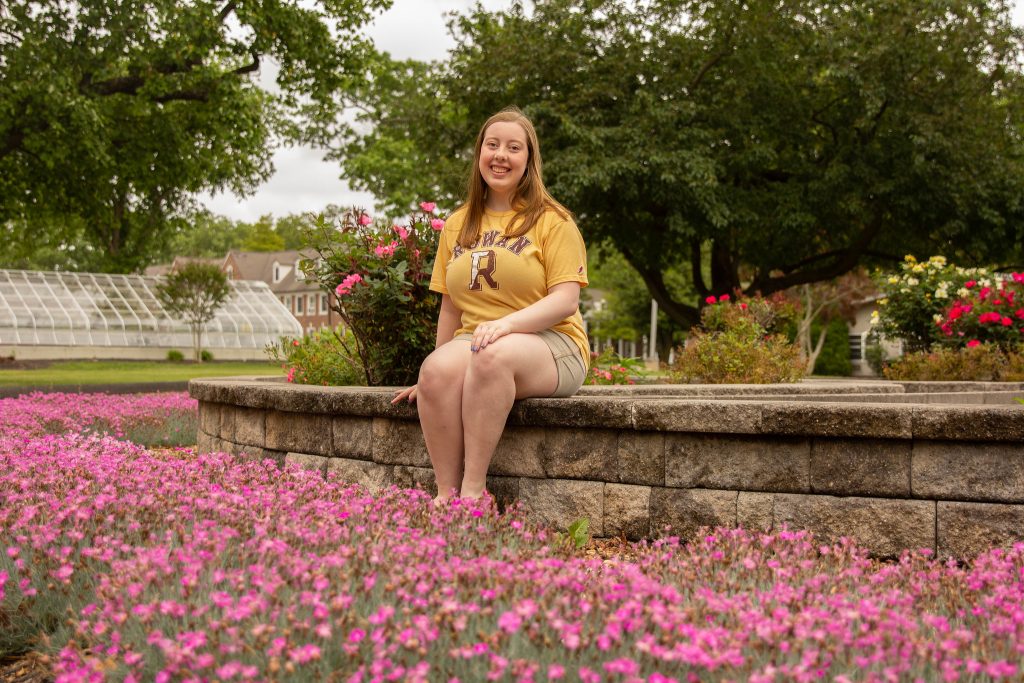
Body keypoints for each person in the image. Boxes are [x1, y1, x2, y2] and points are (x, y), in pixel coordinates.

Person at [391, 106, 590, 503]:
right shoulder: (458, 224)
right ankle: (445, 496)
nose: (501, 155)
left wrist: (508, 325)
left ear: (529, 161)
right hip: (478, 342)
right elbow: (450, 308)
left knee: (491, 355)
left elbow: (566, 301)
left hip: (553, 345)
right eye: (492, 144)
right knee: (436, 372)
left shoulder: (554, 220)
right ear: (479, 153)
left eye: (513, 147)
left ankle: (474, 493)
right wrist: (432, 377)